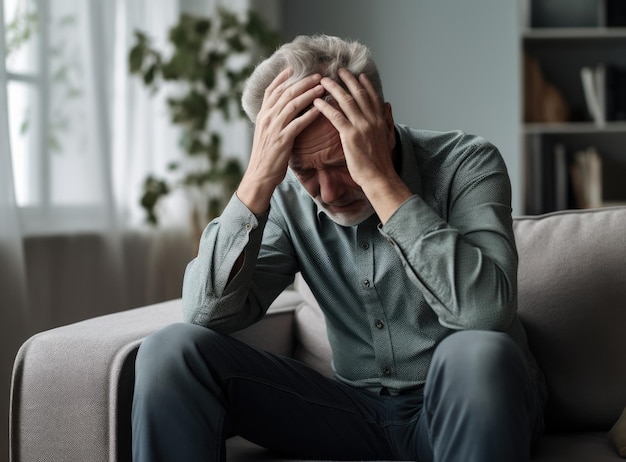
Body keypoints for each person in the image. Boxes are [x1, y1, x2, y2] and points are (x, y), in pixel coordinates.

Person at [132, 34, 546, 462]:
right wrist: (257, 181)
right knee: (171, 352)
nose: (327, 192)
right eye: (304, 170)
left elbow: (485, 313)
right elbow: (204, 315)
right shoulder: (285, 195)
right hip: (351, 414)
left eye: (341, 162)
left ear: (383, 125)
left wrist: (382, 183)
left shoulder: (467, 163)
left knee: (479, 353)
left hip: (466, 404)